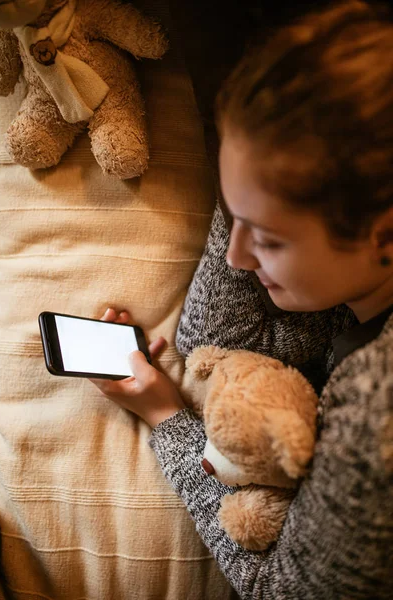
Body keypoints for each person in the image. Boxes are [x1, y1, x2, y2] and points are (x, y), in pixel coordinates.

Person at [90, 1, 393, 598]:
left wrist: (167, 419)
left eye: (271, 239)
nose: (235, 258)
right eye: (233, 215)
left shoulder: (374, 410)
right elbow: (219, 336)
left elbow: (277, 589)